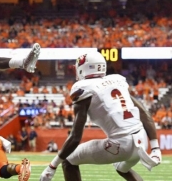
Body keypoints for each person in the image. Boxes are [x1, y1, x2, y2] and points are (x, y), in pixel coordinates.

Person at [39, 52, 162, 181]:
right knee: (122, 168)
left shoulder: (83, 88)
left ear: (83, 69)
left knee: (68, 161)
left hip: (121, 145)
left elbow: (75, 137)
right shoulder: (117, 81)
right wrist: (155, 147)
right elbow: (143, 112)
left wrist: (52, 166)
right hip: (142, 141)